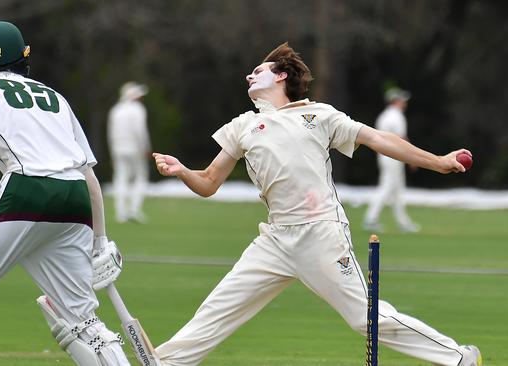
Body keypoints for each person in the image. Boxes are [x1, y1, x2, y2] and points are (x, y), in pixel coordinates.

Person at [152, 43, 482, 366]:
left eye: (258, 71)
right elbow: (209, 182)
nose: (248, 76)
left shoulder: (318, 115)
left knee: (364, 318)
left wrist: (438, 161)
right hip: (276, 239)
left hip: (321, 233)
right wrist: (182, 170)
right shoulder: (243, 126)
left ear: (280, 76)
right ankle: (167, 362)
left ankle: (459, 357)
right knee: (219, 307)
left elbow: (379, 139)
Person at [0, 21, 130, 365]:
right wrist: (100, 239)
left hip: (25, 191)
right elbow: (87, 174)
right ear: (24, 58)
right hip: (74, 201)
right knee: (85, 320)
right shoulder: (55, 98)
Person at [362, 87, 420, 233]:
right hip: (394, 156)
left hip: (384, 155)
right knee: (388, 187)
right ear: (396, 101)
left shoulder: (384, 116)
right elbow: (402, 139)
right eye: (402, 100)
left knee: (397, 190)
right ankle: (370, 219)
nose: (405, 103)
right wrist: (413, 158)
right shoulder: (397, 116)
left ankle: (403, 222)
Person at [108, 82, 151, 223]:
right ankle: (134, 210)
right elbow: (140, 131)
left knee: (121, 179)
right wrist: (146, 147)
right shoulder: (137, 109)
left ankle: (121, 213)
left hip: (119, 148)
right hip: (134, 148)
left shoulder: (116, 110)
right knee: (140, 177)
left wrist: (113, 153)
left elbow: (111, 134)